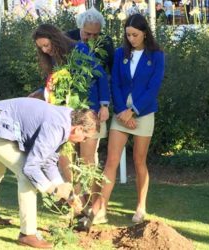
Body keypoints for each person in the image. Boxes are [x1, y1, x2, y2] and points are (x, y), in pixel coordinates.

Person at [0, 97, 98, 248]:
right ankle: (27, 234)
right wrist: (53, 190)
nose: (83, 141)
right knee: (27, 177)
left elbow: (49, 162)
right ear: (78, 128)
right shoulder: (57, 126)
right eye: (85, 137)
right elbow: (31, 168)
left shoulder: (66, 120)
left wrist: (67, 192)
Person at [90, 14, 164, 224]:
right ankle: (101, 209)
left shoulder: (157, 56)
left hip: (144, 113)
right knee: (111, 161)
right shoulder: (121, 53)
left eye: (135, 34)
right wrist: (122, 110)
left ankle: (141, 207)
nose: (131, 38)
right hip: (121, 115)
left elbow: (153, 87)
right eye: (128, 35)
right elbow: (115, 84)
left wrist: (134, 111)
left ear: (145, 33)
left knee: (139, 161)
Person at [31, 24, 110, 191]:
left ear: (56, 39)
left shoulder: (79, 49)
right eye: (41, 47)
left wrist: (104, 105)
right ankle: (74, 197)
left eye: (46, 45)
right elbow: (53, 83)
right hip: (64, 114)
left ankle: (90, 200)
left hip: (88, 110)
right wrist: (39, 92)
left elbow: (100, 75)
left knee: (87, 158)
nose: (45, 50)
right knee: (64, 156)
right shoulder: (51, 58)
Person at [66, 8, 115, 74]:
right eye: (88, 34)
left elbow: (113, 69)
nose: (91, 38)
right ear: (80, 27)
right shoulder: (68, 38)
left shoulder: (106, 42)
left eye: (95, 34)